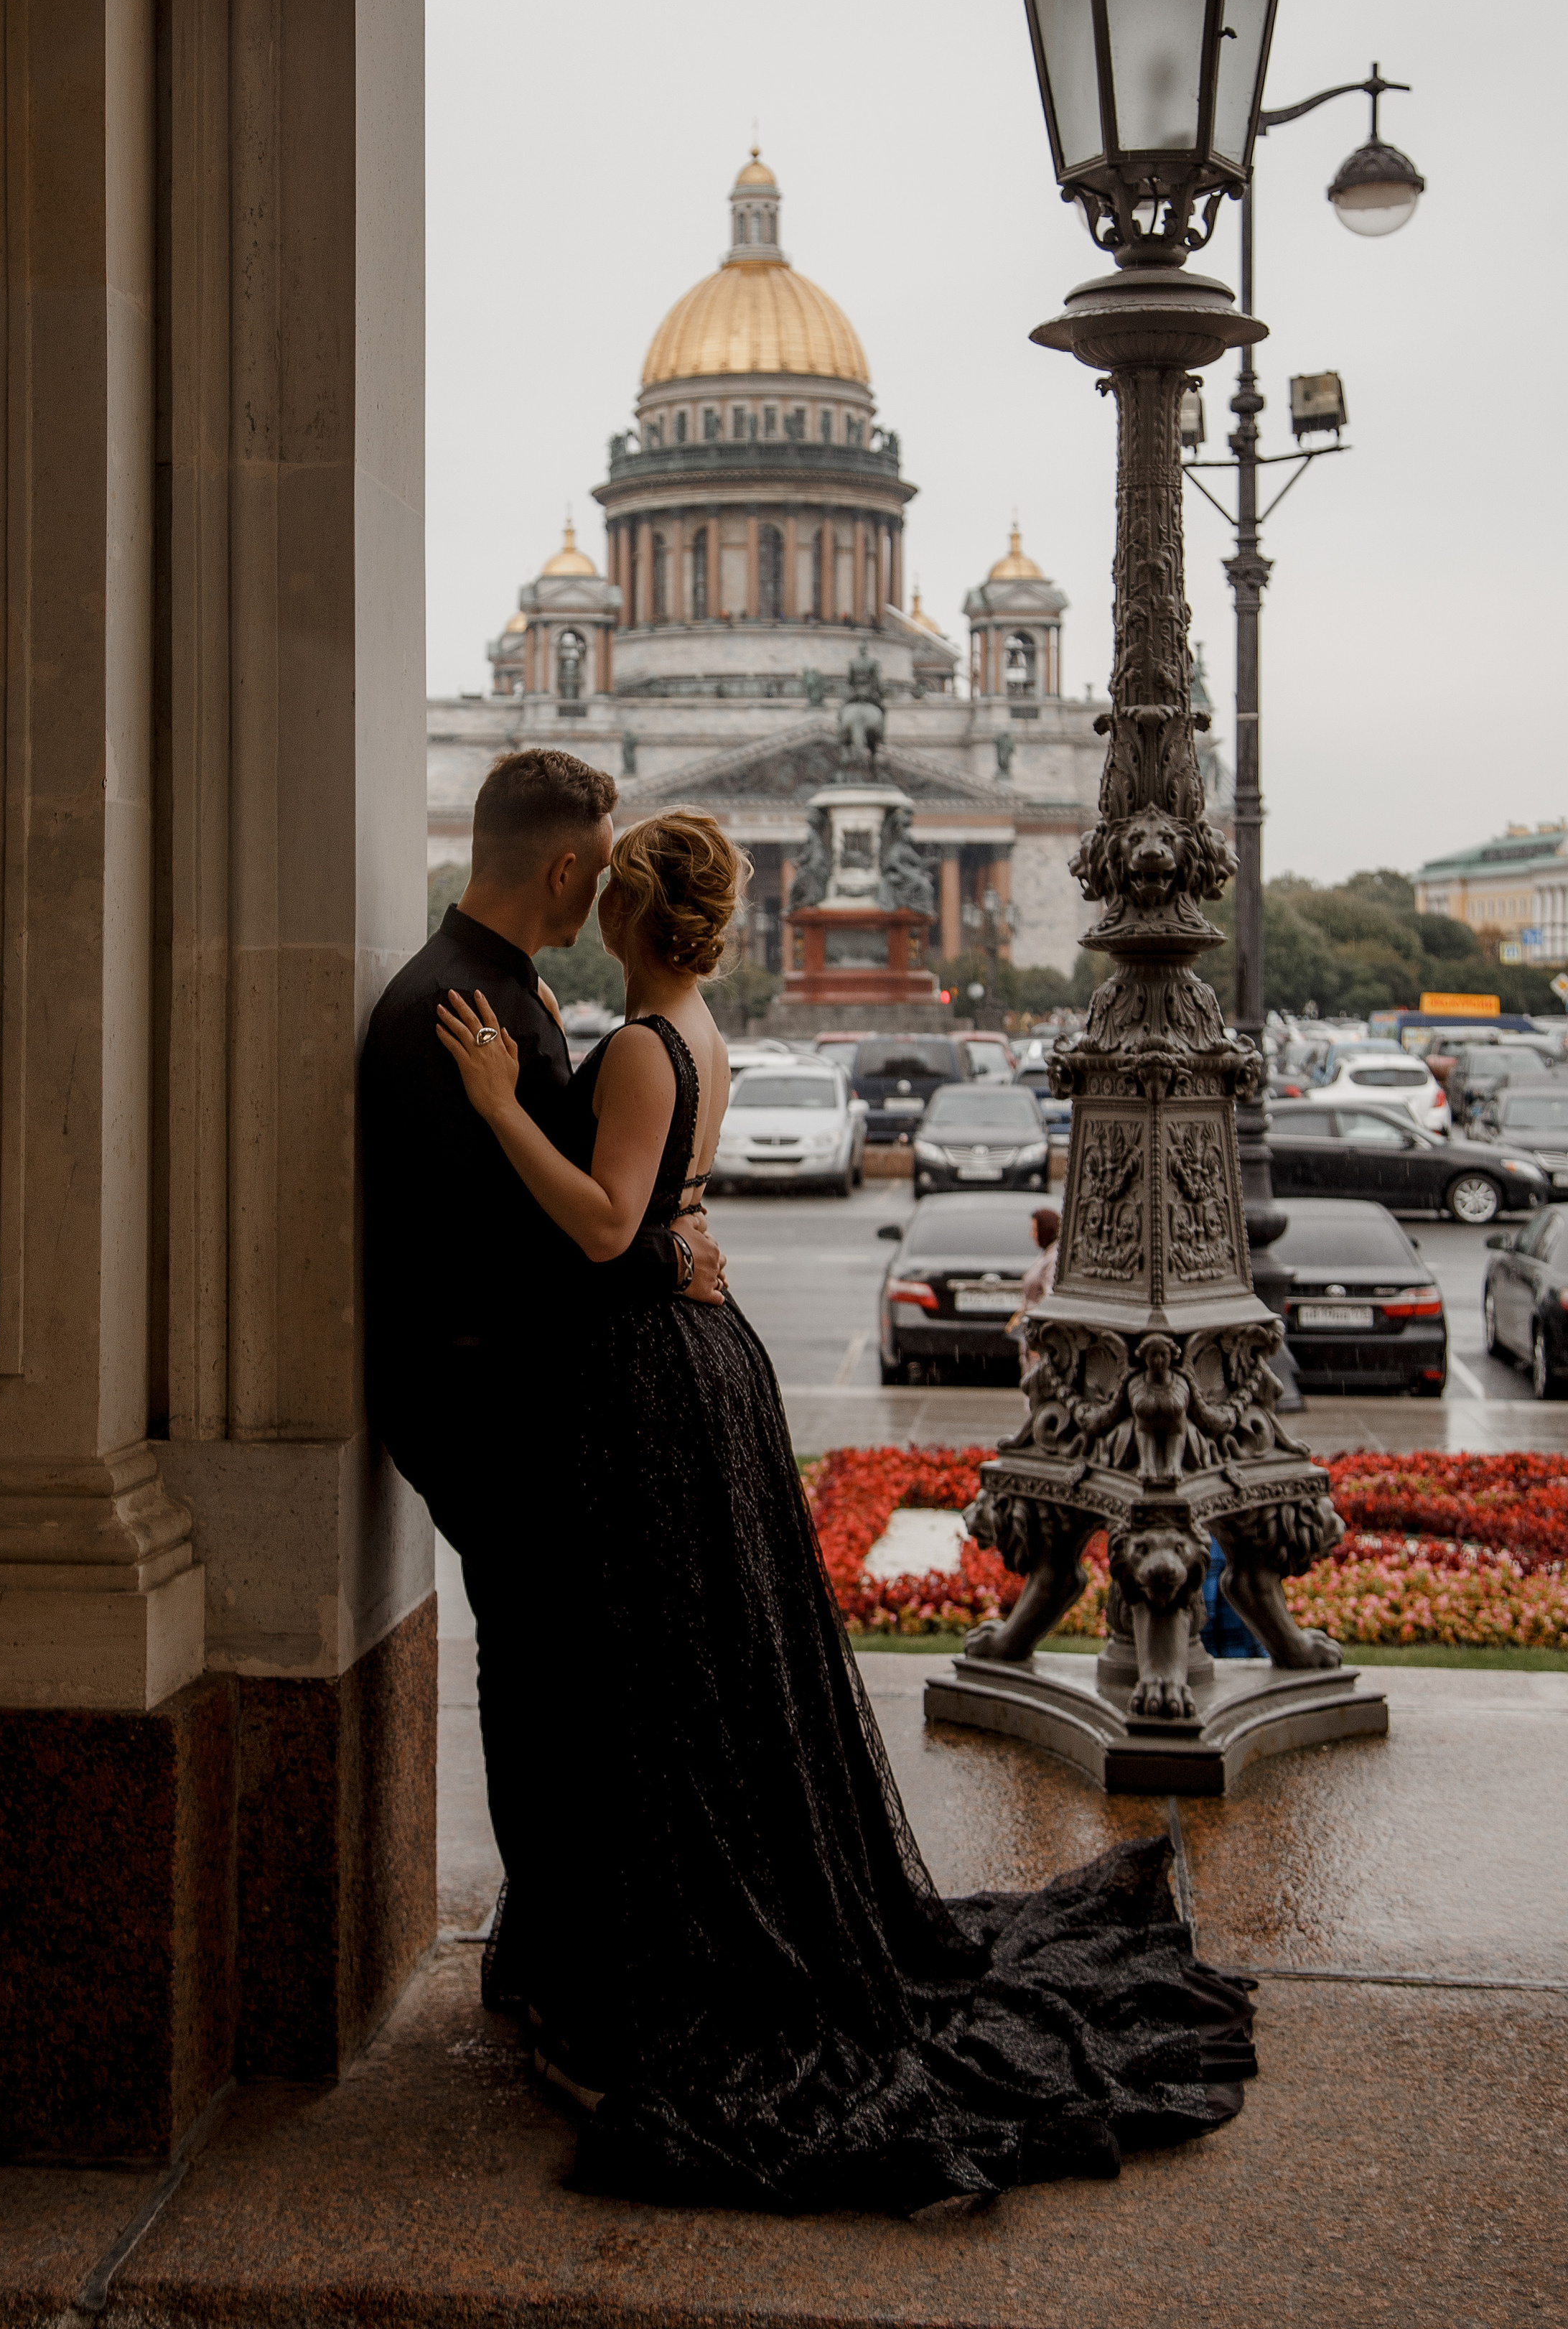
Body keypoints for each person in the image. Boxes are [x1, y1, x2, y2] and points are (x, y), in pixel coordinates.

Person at [434, 804, 1255, 2218]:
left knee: (667, 1674)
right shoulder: (698, 1031)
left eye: (608, 895)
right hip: (703, 1357)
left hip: (654, 1379)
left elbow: (604, 1225)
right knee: (711, 1670)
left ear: (631, 914)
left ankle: (674, 1947)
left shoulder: (637, 1042)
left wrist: (499, 1098)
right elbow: (668, 1210)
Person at [359, 749, 724, 1938]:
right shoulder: (469, 1010)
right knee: (537, 1675)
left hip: (496, 1386)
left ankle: (555, 1926)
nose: (607, 897)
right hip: (488, 1399)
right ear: (565, 867)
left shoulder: (493, 992)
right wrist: (666, 1254)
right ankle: (550, 1938)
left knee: (554, 1672)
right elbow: (532, 1245)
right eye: (600, 871)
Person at [1008, 1202, 1062, 1380]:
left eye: (1034, 1229)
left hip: (1038, 1335)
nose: (1032, 1235)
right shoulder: (1047, 1254)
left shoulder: (1053, 1258)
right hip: (1031, 1331)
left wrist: (1040, 1341)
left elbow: (1049, 1299)